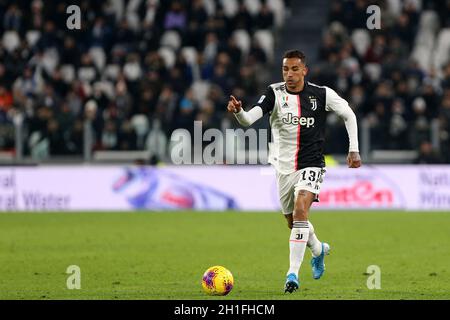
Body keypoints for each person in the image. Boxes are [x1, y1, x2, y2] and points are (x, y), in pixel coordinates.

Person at [226, 50, 361, 293]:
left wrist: (354, 150)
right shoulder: (273, 93)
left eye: (295, 69)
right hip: (282, 168)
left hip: (311, 164)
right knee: (293, 223)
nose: (289, 74)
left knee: (301, 211)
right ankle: (318, 249)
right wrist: (238, 112)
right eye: (286, 69)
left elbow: (348, 114)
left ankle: (292, 275)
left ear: (304, 70)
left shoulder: (321, 94)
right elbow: (249, 120)